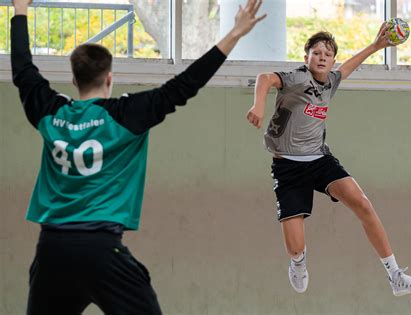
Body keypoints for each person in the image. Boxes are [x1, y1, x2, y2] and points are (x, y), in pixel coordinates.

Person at [10, 0, 266, 314]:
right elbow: (185, 84)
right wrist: (234, 34)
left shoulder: (51, 112)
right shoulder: (127, 114)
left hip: (52, 250)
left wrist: (20, 10)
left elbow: (23, 71)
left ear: (74, 81)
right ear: (109, 78)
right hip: (101, 250)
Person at [246, 24, 411, 295]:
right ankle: (298, 263)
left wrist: (376, 46)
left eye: (328, 54)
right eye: (316, 52)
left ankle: (396, 277)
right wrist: (259, 104)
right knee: (296, 246)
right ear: (306, 57)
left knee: (363, 204)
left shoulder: (331, 81)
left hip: (320, 159)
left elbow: (350, 66)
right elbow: (265, 78)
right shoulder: (297, 78)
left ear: (332, 61)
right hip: (288, 166)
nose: (322, 56)